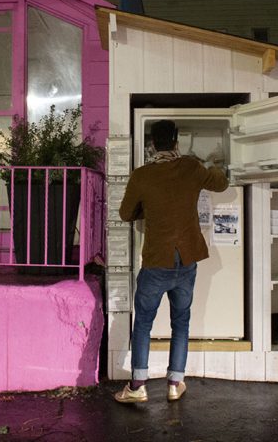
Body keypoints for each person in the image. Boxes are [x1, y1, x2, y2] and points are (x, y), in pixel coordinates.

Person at [114, 119, 229, 403]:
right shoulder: (191, 167)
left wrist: (148, 210)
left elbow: (126, 213)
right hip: (187, 260)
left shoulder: (141, 175)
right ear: (176, 142)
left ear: (152, 144)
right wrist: (212, 162)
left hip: (156, 261)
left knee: (143, 323)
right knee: (181, 321)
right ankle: (175, 383)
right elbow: (222, 182)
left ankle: (138, 386)